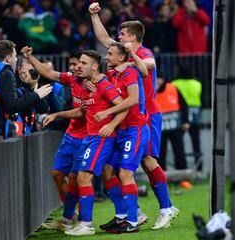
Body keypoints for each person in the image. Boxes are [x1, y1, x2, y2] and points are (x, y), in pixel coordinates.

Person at [89, 2, 179, 230]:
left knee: (148, 162)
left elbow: (149, 64)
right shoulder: (119, 53)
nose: (118, 37)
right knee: (110, 169)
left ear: (133, 38)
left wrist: (126, 61)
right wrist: (94, 15)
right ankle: (129, 213)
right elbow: (103, 39)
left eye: (123, 34)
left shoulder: (142, 53)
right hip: (124, 119)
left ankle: (166, 208)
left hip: (145, 116)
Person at [63, 50, 127, 236]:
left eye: (83, 63)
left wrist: (111, 123)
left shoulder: (104, 84)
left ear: (94, 66)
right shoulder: (91, 85)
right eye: (78, 63)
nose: (79, 66)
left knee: (84, 177)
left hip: (101, 138)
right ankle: (128, 213)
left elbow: (124, 105)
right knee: (103, 174)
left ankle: (87, 224)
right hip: (89, 138)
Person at [91, 42, 149, 233]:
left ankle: (133, 222)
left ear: (121, 58)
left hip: (135, 129)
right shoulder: (112, 75)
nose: (106, 57)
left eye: (110, 54)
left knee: (125, 173)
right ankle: (121, 216)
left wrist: (108, 115)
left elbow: (133, 100)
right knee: (107, 172)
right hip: (121, 131)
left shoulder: (128, 73)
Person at [21, 48, 87, 211]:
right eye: (70, 64)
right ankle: (71, 214)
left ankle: (82, 218)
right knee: (57, 174)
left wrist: (57, 114)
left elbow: (80, 112)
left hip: (88, 136)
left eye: (74, 64)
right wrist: (30, 57)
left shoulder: (93, 84)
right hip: (71, 135)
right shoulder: (72, 79)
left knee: (77, 178)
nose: (71, 68)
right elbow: (50, 73)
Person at [172, 63, 202, 171]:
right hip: (195, 115)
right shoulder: (197, 84)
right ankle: (199, 168)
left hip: (180, 116)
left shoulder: (174, 84)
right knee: (196, 143)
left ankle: (181, 168)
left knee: (179, 145)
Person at [156, 73, 189, 170]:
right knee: (160, 154)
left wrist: (185, 121)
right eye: (155, 78)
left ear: (163, 79)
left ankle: (183, 176)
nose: (157, 81)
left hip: (175, 126)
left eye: (159, 78)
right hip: (159, 128)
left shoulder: (173, 88)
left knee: (179, 151)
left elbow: (184, 105)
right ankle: (161, 178)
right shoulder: (149, 91)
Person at [10, 57, 49, 137]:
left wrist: (34, 86)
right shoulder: (12, 83)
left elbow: (43, 109)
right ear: (19, 70)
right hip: (15, 133)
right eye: (27, 70)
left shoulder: (35, 86)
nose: (30, 74)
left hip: (30, 133)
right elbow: (23, 108)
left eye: (32, 70)